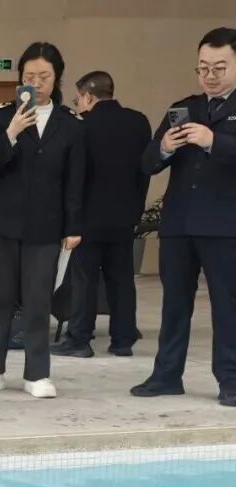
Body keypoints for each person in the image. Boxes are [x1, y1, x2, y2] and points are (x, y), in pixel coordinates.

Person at [0, 42, 85, 399]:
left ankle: (37, 374)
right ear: (20, 79)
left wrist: (73, 226)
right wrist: (12, 132)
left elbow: (75, 179)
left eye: (44, 76)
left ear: (57, 78)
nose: (36, 83)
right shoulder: (2, 115)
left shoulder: (71, 123)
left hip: (45, 224)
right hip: (2, 222)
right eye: (29, 76)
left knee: (38, 301)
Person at [132, 27, 236, 405]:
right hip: (179, 224)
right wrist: (164, 146)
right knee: (174, 304)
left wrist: (213, 141)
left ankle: (231, 380)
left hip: (224, 226)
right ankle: (166, 376)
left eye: (219, 67)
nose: (210, 75)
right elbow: (147, 163)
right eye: (203, 68)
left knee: (227, 307)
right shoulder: (184, 107)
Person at [51, 70, 151, 359]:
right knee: (122, 279)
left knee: (84, 280)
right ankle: (123, 340)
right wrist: (136, 208)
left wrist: (71, 218)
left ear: (87, 96)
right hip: (125, 215)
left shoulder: (82, 125)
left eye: (78, 99)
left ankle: (79, 339)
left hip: (89, 216)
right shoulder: (138, 122)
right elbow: (144, 170)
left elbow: (76, 176)